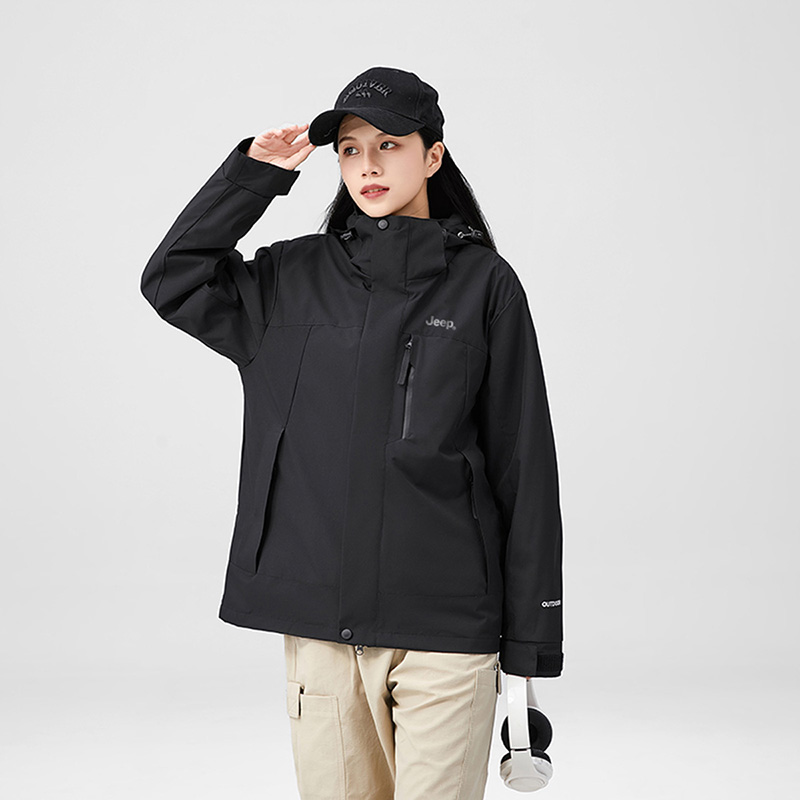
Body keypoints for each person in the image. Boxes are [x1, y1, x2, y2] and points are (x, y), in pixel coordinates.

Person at [140, 66, 564, 800]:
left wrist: (530, 643)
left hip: (446, 628)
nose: (367, 165)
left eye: (389, 145)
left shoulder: (485, 286)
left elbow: (523, 467)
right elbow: (173, 278)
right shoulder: (287, 279)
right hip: (322, 633)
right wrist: (255, 176)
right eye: (349, 149)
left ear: (432, 156)